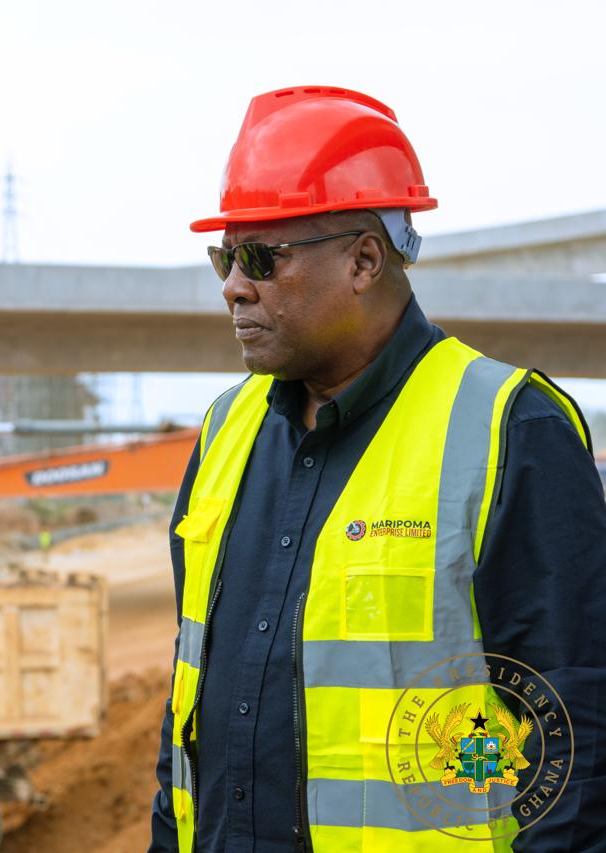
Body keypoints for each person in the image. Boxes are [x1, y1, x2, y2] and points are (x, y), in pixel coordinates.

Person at [149, 86, 606, 851]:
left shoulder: (508, 430)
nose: (232, 284)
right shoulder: (226, 431)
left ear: (364, 259)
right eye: (225, 256)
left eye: (261, 257)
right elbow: (188, 700)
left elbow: (576, 737)